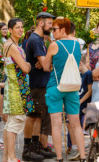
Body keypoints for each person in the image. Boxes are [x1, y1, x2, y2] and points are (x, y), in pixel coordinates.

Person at [42, 17, 84, 162]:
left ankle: (59, 157)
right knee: (76, 124)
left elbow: (46, 67)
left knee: (56, 125)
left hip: (56, 87)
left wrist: (54, 66)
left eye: (54, 29)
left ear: (63, 30)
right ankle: (83, 156)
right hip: (72, 87)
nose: (52, 32)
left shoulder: (54, 45)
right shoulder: (77, 43)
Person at [23, 12, 56, 161]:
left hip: (41, 83)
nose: (51, 26)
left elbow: (45, 63)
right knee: (32, 116)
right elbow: (45, 65)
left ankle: (36, 147)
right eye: (49, 23)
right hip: (37, 84)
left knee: (38, 117)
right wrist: (47, 63)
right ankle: (27, 149)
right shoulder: (35, 40)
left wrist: (47, 62)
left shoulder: (40, 39)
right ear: (41, 23)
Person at [2, 18, 34, 162]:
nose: (21, 30)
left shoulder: (10, 45)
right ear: (10, 30)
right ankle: (11, 156)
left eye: (22, 27)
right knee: (14, 123)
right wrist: (28, 64)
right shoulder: (13, 47)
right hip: (17, 88)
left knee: (11, 124)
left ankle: (7, 157)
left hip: (14, 86)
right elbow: (26, 68)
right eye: (17, 28)